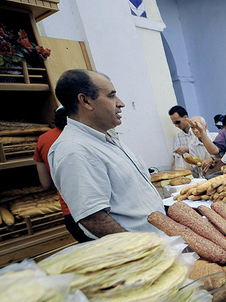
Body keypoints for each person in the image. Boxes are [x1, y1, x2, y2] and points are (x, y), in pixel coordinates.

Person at [48, 69, 165, 238]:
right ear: (86, 101)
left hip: (160, 241)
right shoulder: (74, 149)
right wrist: (141, 249)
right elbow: (93, 218)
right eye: (111, 96)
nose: (121, 103)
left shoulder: (106, 137)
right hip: (142, 252)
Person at [34, 107, 91, 243]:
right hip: (98, 210)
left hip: (71, 213)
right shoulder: (88, 135)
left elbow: (46, 183)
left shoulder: (43, 139)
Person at [169, 105, 209, 170]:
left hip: (205, 166)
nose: (176, 125)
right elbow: (176, 158)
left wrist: (186, 150)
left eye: (177, 122)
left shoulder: (200, 131)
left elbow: (206, 149)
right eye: (174, 123)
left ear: (185, 117)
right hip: (188, 170)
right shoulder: (178, 136)